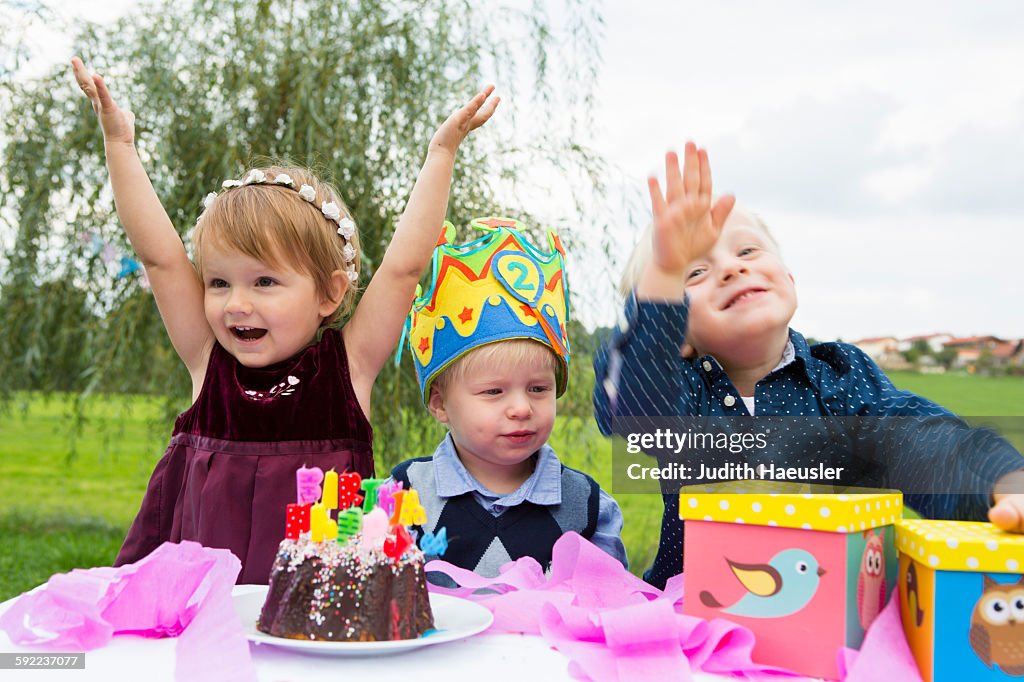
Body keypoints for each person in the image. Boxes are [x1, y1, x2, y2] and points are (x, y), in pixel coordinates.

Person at [71, 56, 499, 583]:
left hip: (317, 615)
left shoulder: (349, 367)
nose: (236, 304)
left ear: (328, 293)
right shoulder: (209, 362)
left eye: (265, 282)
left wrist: (441, 153)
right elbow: (159, 256)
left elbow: (403, 268)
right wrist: (120, 145)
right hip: (205, 606)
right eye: (219, 282)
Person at [594, 142, 1024, 589]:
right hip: (699, 630)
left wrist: (1002, 479)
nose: (730, 269)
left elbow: (920, 442)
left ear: (790, 279)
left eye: (747, 252)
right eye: (695, 272)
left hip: (833, 624)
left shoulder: (841, 379)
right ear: (674, 334)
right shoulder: (683, 399)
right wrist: (662, 274)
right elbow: (629, 398)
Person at [389, 217, 627, 579]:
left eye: (538, 389)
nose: (521, 408)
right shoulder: (407, 493)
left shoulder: (586, 505)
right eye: (493, 392)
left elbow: (608, 602)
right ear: (439, 403)